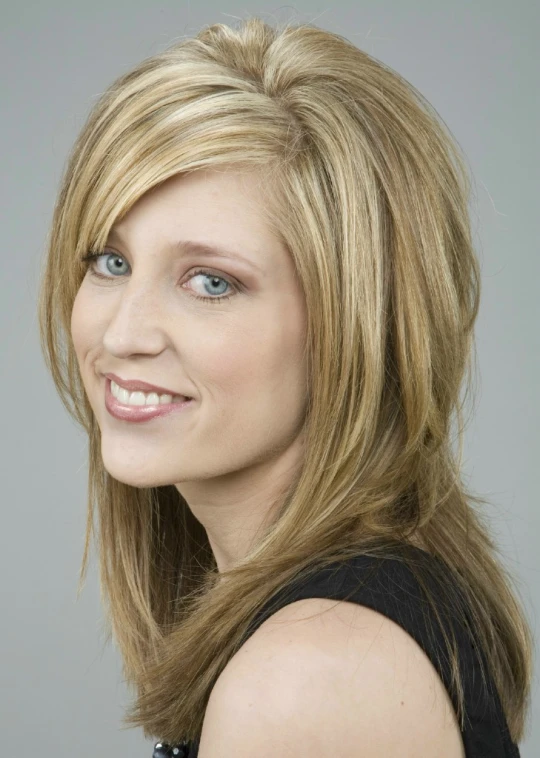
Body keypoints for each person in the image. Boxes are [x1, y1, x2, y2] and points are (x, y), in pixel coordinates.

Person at [37, 16, 532, 758]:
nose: (122, 334)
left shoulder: (310, 677)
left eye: (211, 282)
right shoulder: (367, 614)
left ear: (356, 328)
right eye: (110, 261)